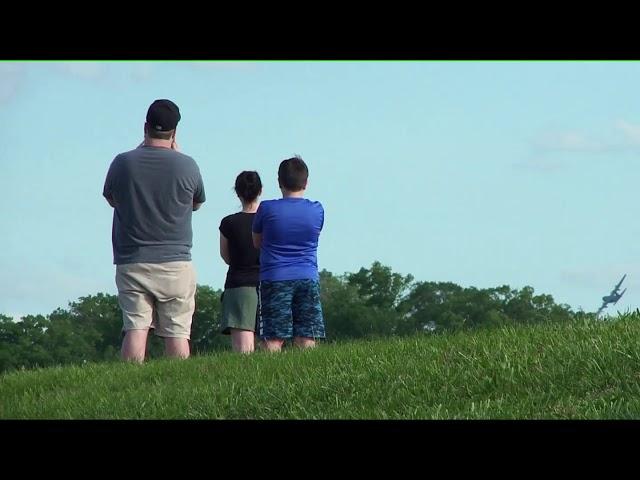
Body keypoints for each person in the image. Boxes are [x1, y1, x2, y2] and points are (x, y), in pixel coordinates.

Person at [102, 99, 206, 362]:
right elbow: (196, 204)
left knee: (135, 328)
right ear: (175, 132)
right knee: (178, 332)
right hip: (175, 261)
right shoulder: (188, 165)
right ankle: (180, 389)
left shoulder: (122, 163)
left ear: (145, 126)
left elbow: (112, 199)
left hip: (132, 260)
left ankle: (128, 387)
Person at [252, 156, 325, 352]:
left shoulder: (266, 208)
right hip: (308, 276)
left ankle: (271, 377)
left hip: (275, 277)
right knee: (307, 334)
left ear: (279, 182)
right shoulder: (317, 209)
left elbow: (256, 241)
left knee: (273, 337)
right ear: (306, 182)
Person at [219, 171, 262, 353]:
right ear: (260, 191)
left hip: (239, 285)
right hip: (268, 283)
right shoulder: (268, 220)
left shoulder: (229, 223)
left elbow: (226, 257)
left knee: (243, 351)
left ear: (237, 192)